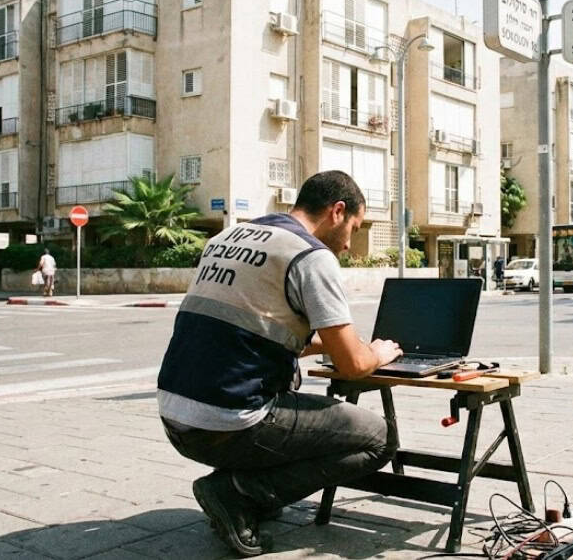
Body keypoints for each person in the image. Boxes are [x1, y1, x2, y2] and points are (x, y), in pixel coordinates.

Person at [157, 170, 403, 557]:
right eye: (354, 228)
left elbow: (254, 333)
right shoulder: (310, 256)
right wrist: (377, 353)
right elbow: (355, 366)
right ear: (337, 211)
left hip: (176, 417)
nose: (350, 244)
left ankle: (251, 493)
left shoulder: (226, 237)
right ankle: (236, 492)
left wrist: (338, 346)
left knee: (293, 382)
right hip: (228, 423)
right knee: (379, 438)